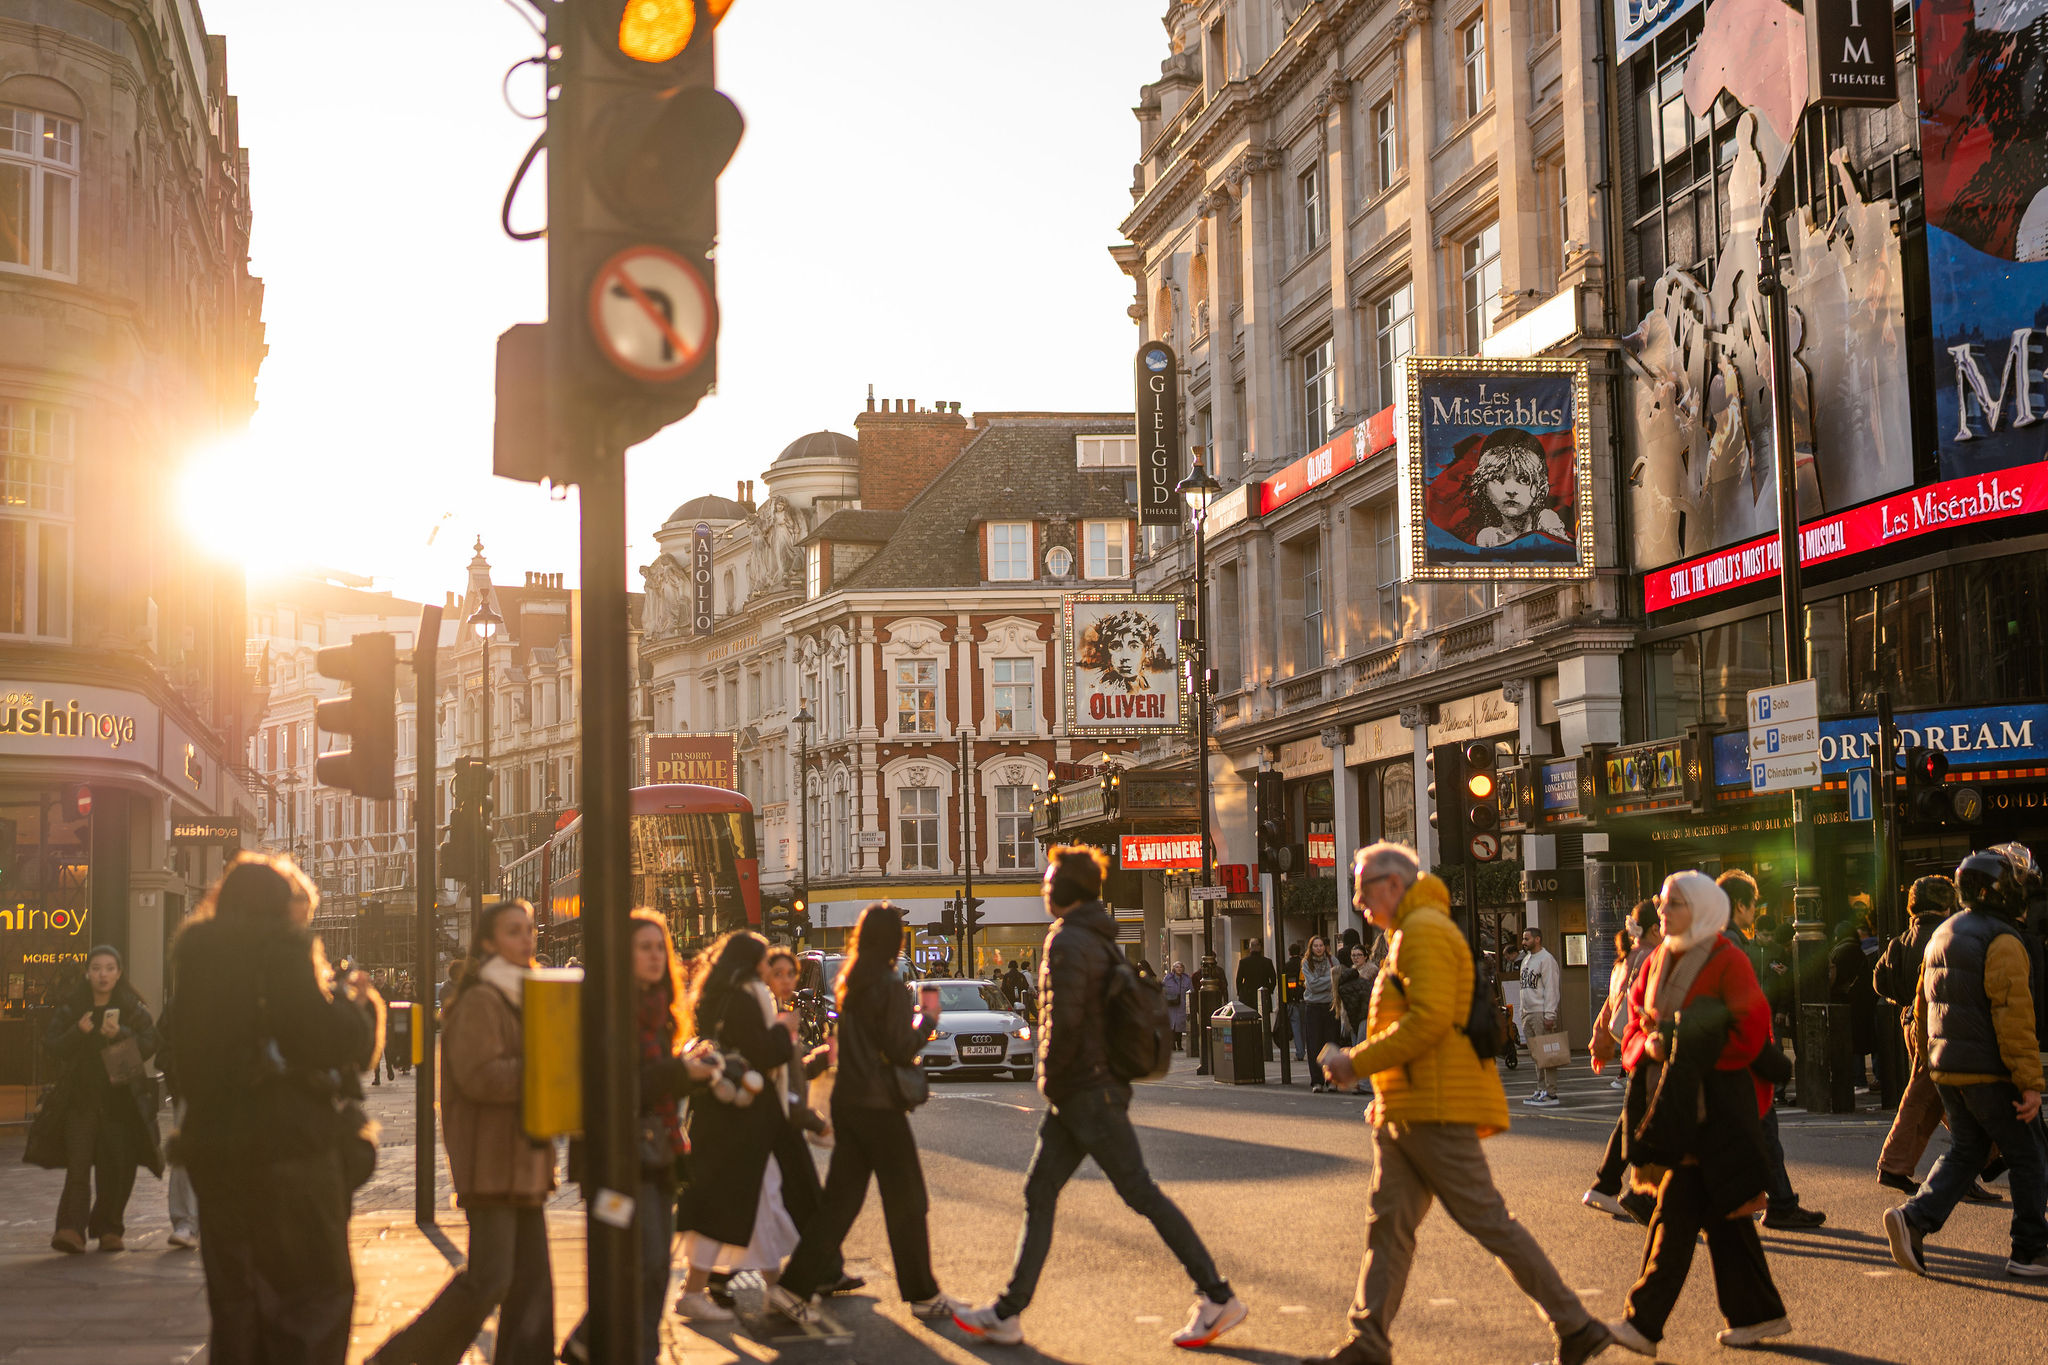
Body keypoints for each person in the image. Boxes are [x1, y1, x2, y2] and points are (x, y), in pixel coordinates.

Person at [1305, 844, 1609, 1365]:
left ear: (1393, 884)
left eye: (1362, 886)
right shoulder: (1409, 933)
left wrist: (1356, 1061)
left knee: (1485, 1221)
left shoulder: (1422, 932)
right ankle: (1367, 1341)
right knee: (1389, 1226)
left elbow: (1428, 1022)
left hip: (1434, 1106)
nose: (1358, 901)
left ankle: (1575, 1323)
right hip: (1410, 1107)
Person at [954, 847, 1246, 1350]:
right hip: (1092, 1087)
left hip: (1085, 1090)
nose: (1044, 887)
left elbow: (1064, 1022)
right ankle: (1008, 1311)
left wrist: (1049, 1079)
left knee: (1139, 1192)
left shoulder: (1067, 941)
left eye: (1050, 880)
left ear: (1066, 888)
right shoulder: (1101, 938)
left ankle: (1218, 1294)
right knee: (1040, 1193)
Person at [166, 853, 381, 1365]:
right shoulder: (280, 952)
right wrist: (359, 1006)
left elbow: (186, 1058)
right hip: (289, 1153)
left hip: (216, 1155)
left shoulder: (195, 960)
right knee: (312, 1297)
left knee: (238, 1303)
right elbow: (327, 1040)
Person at [1606, 872, 1790, 1355]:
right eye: (1663, 904)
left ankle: (1643, 1323)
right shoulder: (1654, 961)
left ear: (1704, 910)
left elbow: (1752, 1033)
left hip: (1715, 1108)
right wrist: (1651, 1046)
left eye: (1675, 905)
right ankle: (1758, 1316)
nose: (1662, 913)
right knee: (1724, 1217)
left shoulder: (1728, 960)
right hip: (1674, 1099)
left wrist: (1683, 1049)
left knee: (1676, 1212)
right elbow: (1631, 1032)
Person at [372, 900, 556, 1365]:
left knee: (532, 1282)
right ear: (490, 943)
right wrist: (546, 1067)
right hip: (492, 1163)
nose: (527, 939)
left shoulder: (522, 995)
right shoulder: (481, 1000)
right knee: (490, 1278)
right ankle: (401, 1359)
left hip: (523, 1161)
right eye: (514, 931)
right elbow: (482, 1076)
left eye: (530, 929)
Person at [771, 904, 962, 1324]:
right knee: (907, 1199)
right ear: (892, 940)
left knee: (840, 1203)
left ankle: (792, 1287)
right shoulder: (890, 984)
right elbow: (899, 1049)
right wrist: (927, 1020)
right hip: (880, 1107)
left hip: (851, 1101)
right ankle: (924, 1293)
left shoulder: (852, 982)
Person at [562, 910, 721, 1363]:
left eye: (660, 947)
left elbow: (656, 1080)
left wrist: (691, 1068)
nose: (655, 955)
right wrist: (679, 1070)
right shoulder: (611, 1010)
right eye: (644, 947)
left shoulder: (660, 1010)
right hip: (618, 1156)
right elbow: (615, 1084)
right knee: (645, 1266)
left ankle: (592, 1342)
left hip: (657, 1153)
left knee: (646, 1269)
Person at [1883, 850, 2048, 1280]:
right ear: (2005, 892)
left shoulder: (1944, 932)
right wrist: (2030, 1083)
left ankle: (1915, 1219)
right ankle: (2030, 1250)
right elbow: (2014, 1017)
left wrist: (1927, 1060)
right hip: (1991, 1071)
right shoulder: (2003, 940)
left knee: (1968, 1149)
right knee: (2031, 1155)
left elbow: (1921, 1005)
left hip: (1946, 1067)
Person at [671, 930, 802, 1321]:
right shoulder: (748, 996)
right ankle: (696, 1291)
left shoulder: (712, 994)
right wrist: (785, 1030)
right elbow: (762, 1054)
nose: (768, 967)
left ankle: (776, 1286)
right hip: (745, 1114)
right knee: (743, 1198)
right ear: (751, 962)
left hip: (718, 1109)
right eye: (764, 960)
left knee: (761, 1197)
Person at [28, 944, 163, 1254]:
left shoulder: (130, 1006)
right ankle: (70, 1230)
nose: (103, 974)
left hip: (120, 1102)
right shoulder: (73, 1007)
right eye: (97, 968)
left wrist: (120, 1034)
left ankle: (108, 1229)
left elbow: (150, 1042)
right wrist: (78, 1031)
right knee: (78, 1166)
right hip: (81, 1100)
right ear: (88, 973)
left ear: (119, 974)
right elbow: (52, 1045)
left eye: (109, 968)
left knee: (114, 1167)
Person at [1873, 875, 1998, 1197]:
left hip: (1910, 1024)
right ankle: (1974, 1161)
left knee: (1938, 1099)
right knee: (1938, 1096)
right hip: (1940, 1025)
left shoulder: (1900, 941)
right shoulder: (1947, 937)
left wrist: (1901, 1000)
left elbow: (1880, 981)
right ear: (1946, 904)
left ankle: (1979, 1161)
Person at [1716, 870, 1825, 1230]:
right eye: (1752, 903)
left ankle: (1777, 1201)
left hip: (1727, 1057)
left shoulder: (1715, 941)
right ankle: (1777, 1204)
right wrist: (1768, 1058)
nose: (1754, 911)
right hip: (1742, 1057)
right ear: (1741, 905)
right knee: (1763, 1130)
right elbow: (1741, 1008)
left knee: (1755, 1132)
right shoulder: (1732, 945)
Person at [1584, 902, 1659, 1225]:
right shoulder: (1650, 957)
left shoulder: (1625, 959)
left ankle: (1609, 1183)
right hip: (1647, 1045)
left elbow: (1609, 1008)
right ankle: (1630, 1190)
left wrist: (1601, 1043)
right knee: (1644, 1118)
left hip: (1630, 1045)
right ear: (1655, 929)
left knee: (1634, 1115)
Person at [1517, 928, 1563, 1107]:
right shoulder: (1526, 960)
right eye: (1523, 938)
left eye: (1526, 939)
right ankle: (1540, 1088)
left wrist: (1550, 1014)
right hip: (1527, 1012)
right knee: (1536, 1055)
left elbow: (1551, 988)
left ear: (1537, 939)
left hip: (1540, 1012)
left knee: (1547, 1053)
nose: (1523, 942)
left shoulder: (1546, 959)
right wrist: (1522, 1011)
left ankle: (1551, 1092)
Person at [1334, 944, 1377, 1098]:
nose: (1356, 958)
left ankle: (1365, 1083)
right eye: (1353, 955)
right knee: (1357, 1049)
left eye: (1359, 955)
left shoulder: (1371, 971)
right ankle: (1360, 1081)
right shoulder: (1351, 973)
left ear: (1365, 956)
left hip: (1366, 1016)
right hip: (1355, 1017)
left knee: (1362, 1049)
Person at [1299, 936, 1340, 1092]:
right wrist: (1330, 978)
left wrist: (1322, 981)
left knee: (1331, 1044)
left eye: (1321, 945)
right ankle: (1317, 1081)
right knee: (1314, 1044)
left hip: (1330, 1006)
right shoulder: (1306, 963)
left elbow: (1337, 980)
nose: (1318, 948)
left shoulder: (1333, 961)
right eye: (1315, 946)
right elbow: (1313, 985)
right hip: (1313, 1007)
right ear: (1311, 947)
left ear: (1325, 946)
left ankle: (1332, 1080)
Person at [1235, 937, 1277, 1033]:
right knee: (1264, 1021)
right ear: (1260, 947)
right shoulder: (1267, 962)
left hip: (1248, 996)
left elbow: (1238, 980)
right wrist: (1269, 990)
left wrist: (1241, 993)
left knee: (1250, 1021)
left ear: (1250, 948)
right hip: (1263, 995)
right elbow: (1273, 979)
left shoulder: (1244, 962)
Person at [1162, 960, 1192, 1051]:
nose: (1179, 969)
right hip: (1171, 1004)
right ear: (1173, 969)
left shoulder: (1186, 979)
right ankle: (1172, 1044)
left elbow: (1191, 990)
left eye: (1180, 967)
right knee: (1172, 1025)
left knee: (1179, 1026)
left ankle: (1179, 1044)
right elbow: (1163, 990)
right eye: (1177, 967)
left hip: (1182, 1004)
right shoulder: (1168, 978)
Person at [1283, 944, 1306, 1062]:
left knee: (1296, 1026)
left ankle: (1300, 1052)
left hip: (1292, 1000)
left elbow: (1285, 984)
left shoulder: (1287, 966)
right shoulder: (1304, 964)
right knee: (1305, 1027)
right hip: (1305, 999)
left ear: (1289, 952)